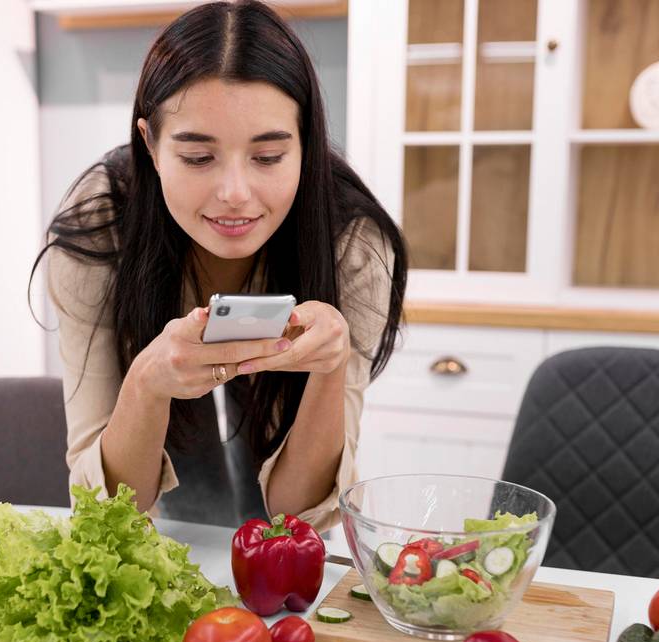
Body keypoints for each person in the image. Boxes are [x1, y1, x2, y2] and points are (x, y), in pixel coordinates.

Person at [35, 0, 407, 532]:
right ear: (151, 144)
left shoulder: (352, 242)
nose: (235, 194)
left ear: (306, 145)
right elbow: (106, 512)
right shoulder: (99, 229)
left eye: (269, 157)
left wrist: (330, 366)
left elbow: (298, 516)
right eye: (197, 158)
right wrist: (146, 381)